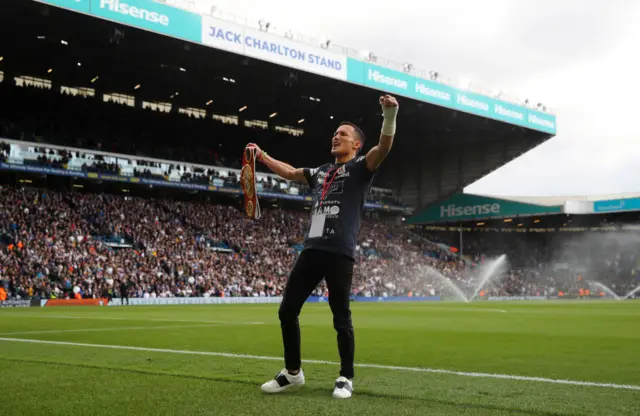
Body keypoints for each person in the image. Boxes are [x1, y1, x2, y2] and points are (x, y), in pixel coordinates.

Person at [249, 94, 399, 399]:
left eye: (343, 134)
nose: (336, 136)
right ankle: (293, 373)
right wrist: (262, 156)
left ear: (356, 144)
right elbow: (291, 172)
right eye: (335, 133)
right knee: (287, 310)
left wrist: (389, 116)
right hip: (312, 249)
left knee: (340, 315)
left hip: (340, 251)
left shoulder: (360, 168)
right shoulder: (320, 172)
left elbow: (383, 148)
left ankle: (345, 376)